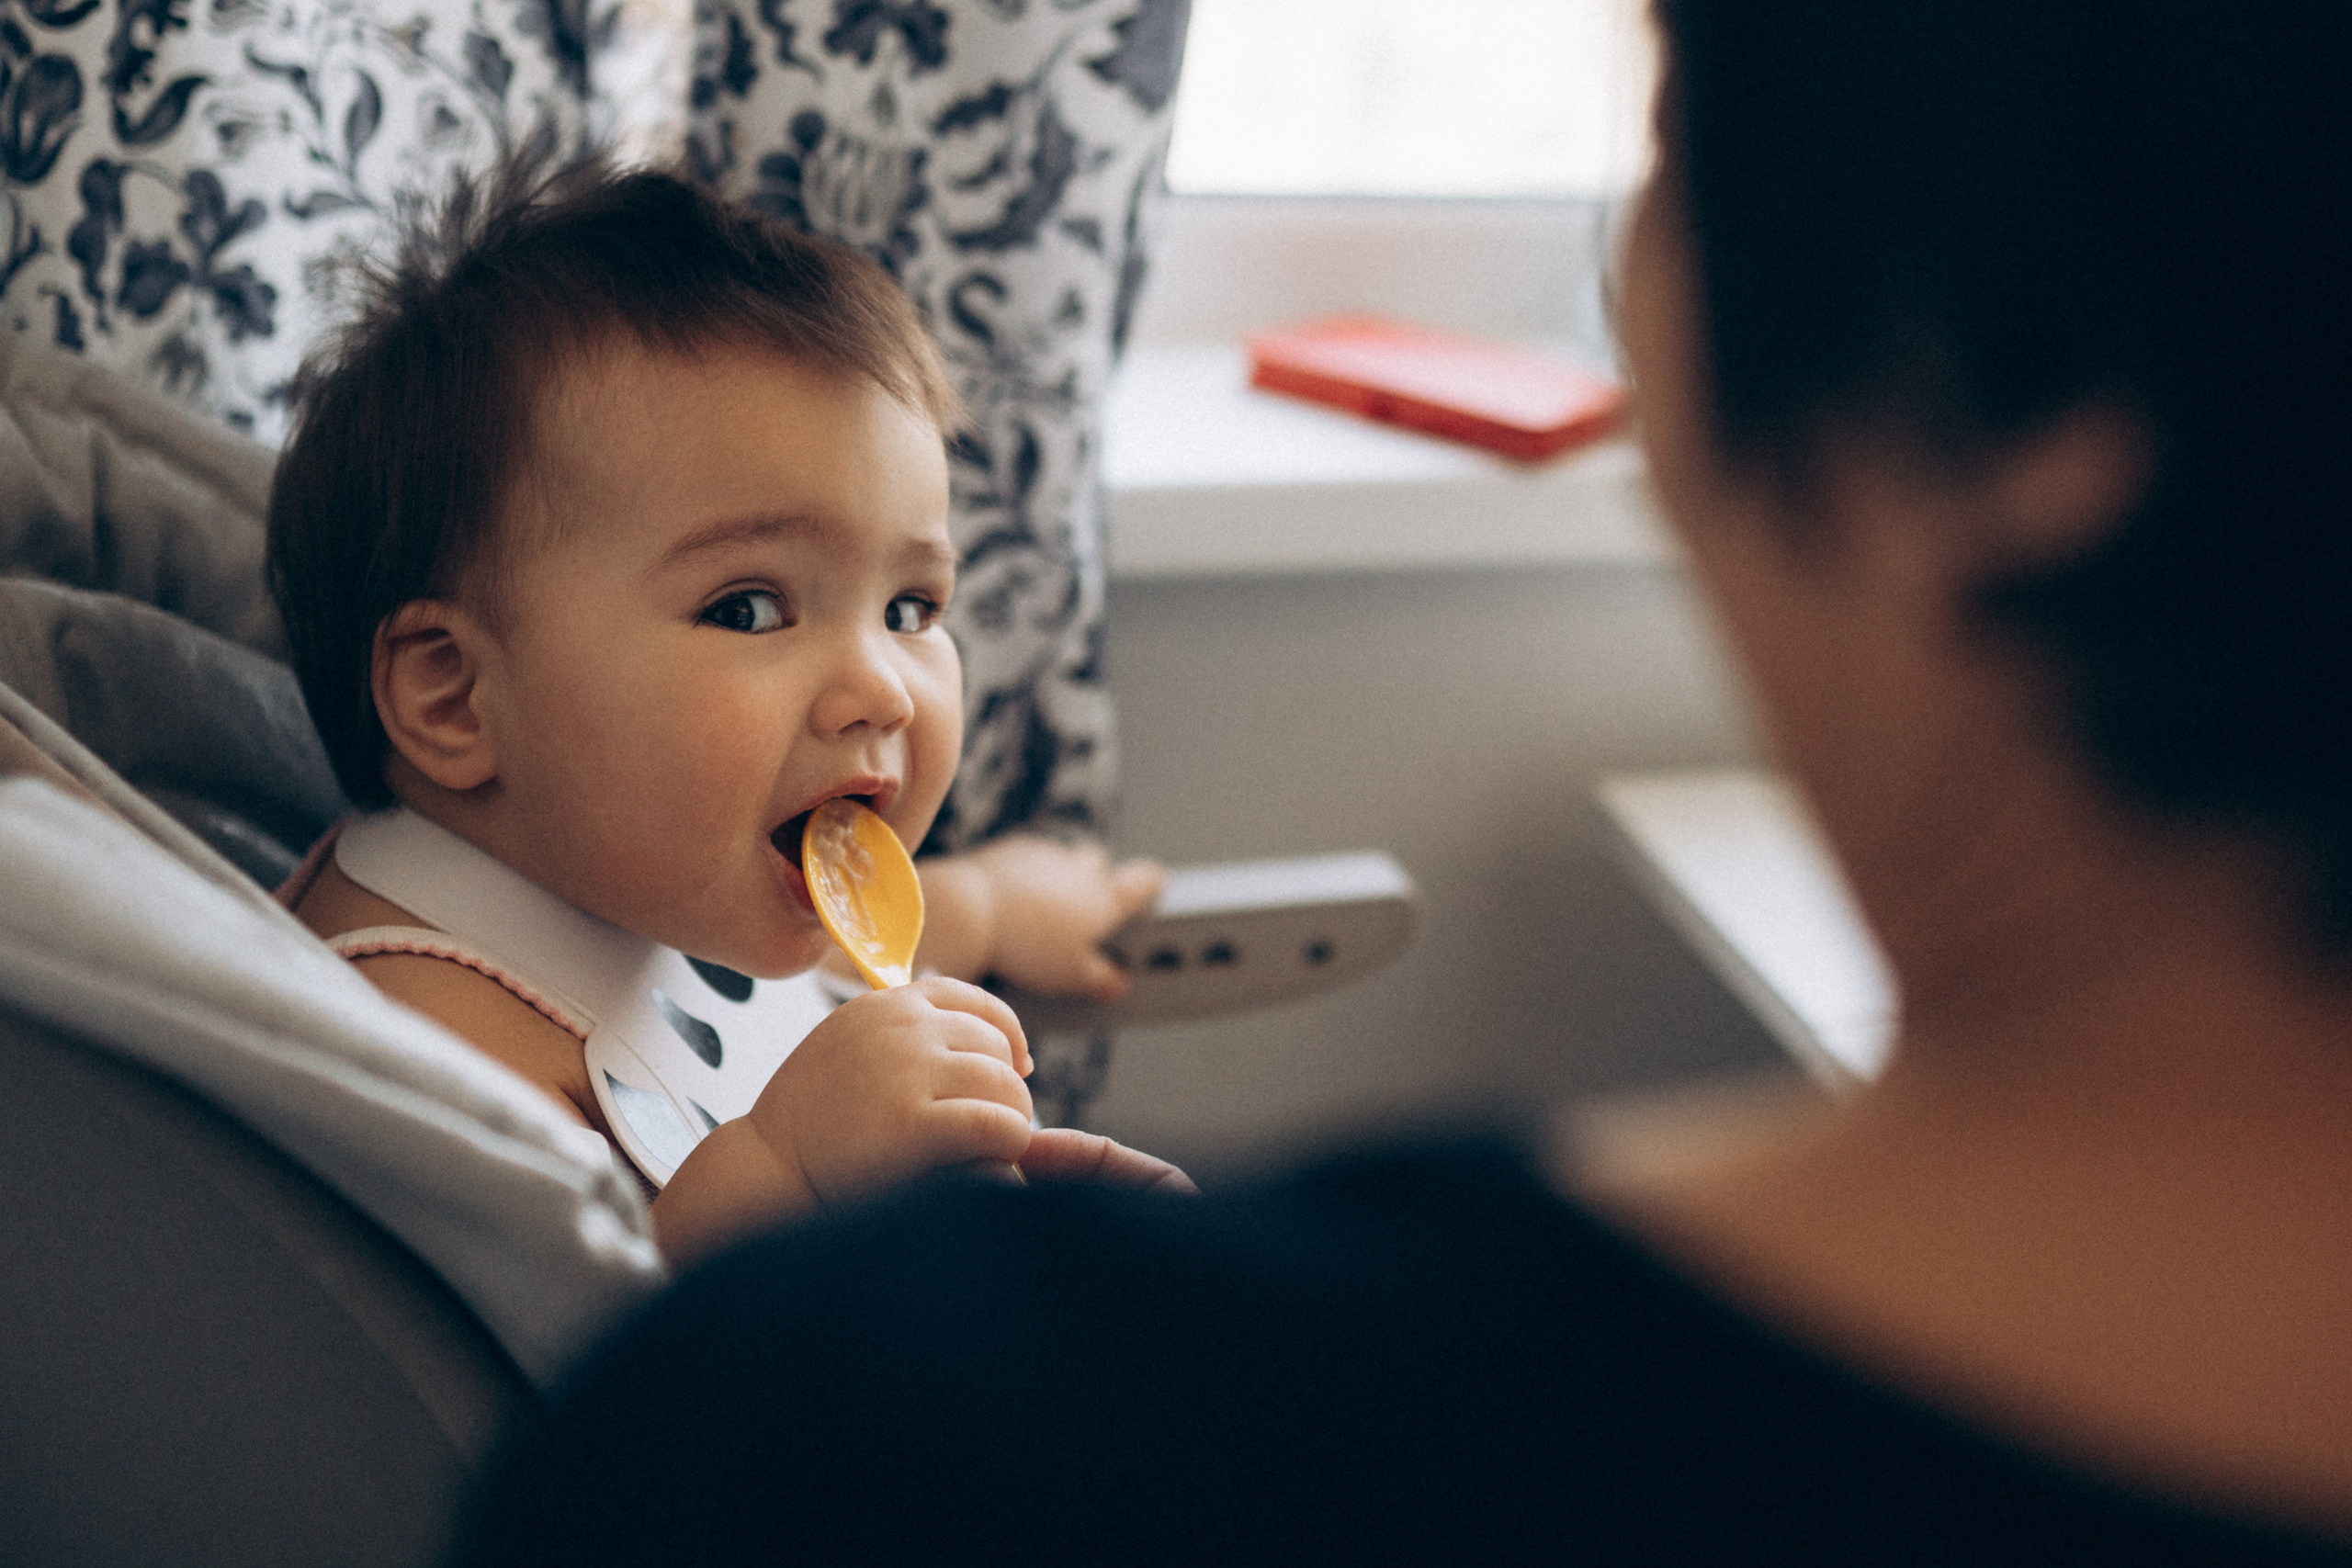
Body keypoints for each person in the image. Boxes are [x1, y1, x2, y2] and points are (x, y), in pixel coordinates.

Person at [450, 0, 2352, 1559]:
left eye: (1673, 146)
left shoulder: (879, 1433)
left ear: (2022, 397)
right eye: (753, 603)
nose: (870, 676)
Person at [266, 159, 1185, 1264]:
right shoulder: (415, 1045)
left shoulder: (644, 860)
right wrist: (785, 1170)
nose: (884, 687)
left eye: (910, 606)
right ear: (455, 697)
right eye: (748, 609)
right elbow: (569, 1378)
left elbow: (756, 973)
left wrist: (985, 907)